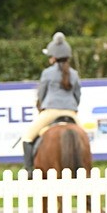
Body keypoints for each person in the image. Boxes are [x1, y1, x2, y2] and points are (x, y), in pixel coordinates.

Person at [21, 32, 82, 174]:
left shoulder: (47, 73)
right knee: (84, 139)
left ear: (53, 57)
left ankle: (29, 170)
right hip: (70, 112)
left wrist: (41, 107)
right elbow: (77, 95)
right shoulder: (74, 73)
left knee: (27, 137)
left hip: (51, 112)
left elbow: (41, 93)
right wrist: (72, 108)